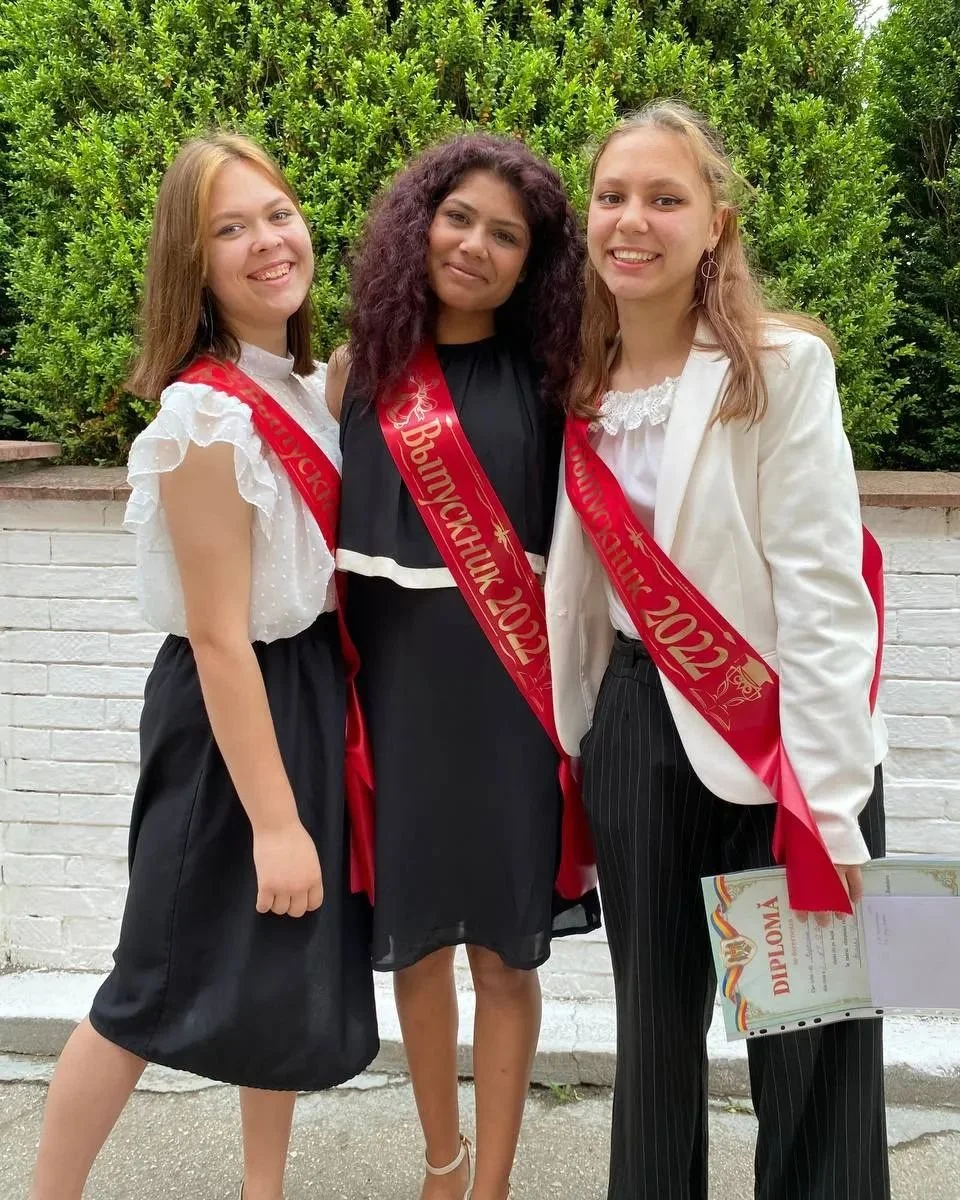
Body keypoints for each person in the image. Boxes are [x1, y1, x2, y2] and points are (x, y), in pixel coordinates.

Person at [545, 101, 889, 1200]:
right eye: (611, 196)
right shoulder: (579, 387)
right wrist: (581, 739)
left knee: (814, 1053)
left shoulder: (780, 369)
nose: (631, 219)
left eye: (664, 197)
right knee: (651, 1046)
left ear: (716, 225)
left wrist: (830, 804)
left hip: (787, 743)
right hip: (643, 733)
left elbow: (828, 596)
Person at [30, 133, 378, 1200]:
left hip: (313, 694)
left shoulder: (301, 384)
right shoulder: (205, 420)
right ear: (193, 264)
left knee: (275, 972)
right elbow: (222, 637)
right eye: (230, 229)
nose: (267, 242)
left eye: (276, 213)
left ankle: (260, 1192)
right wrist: (277, 823)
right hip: (230, 718)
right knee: (151, 976)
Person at [326, 132, 600, 1200]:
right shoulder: (360, 371)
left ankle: (492, 1184)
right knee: (418, 944)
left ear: (533, 263)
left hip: (510, 701)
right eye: (458, 219)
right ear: (418, 223)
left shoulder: (555, 380)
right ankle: (440, 1168)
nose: (476, 246)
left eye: (507, 235)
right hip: (394, 697)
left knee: (504, 952)